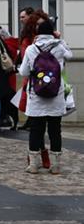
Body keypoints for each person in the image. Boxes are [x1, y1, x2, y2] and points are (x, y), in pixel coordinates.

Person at [19, 20, 72, 174]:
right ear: (52, 32)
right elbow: (70, 55)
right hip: (56, 95)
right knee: (55, 131)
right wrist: (60, 39)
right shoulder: (59, 47)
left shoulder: (31, 49)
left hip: (37, 96)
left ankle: (34, 165)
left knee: (36, 130)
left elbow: (24, 72)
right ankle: (55, 166)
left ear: (38, 33)